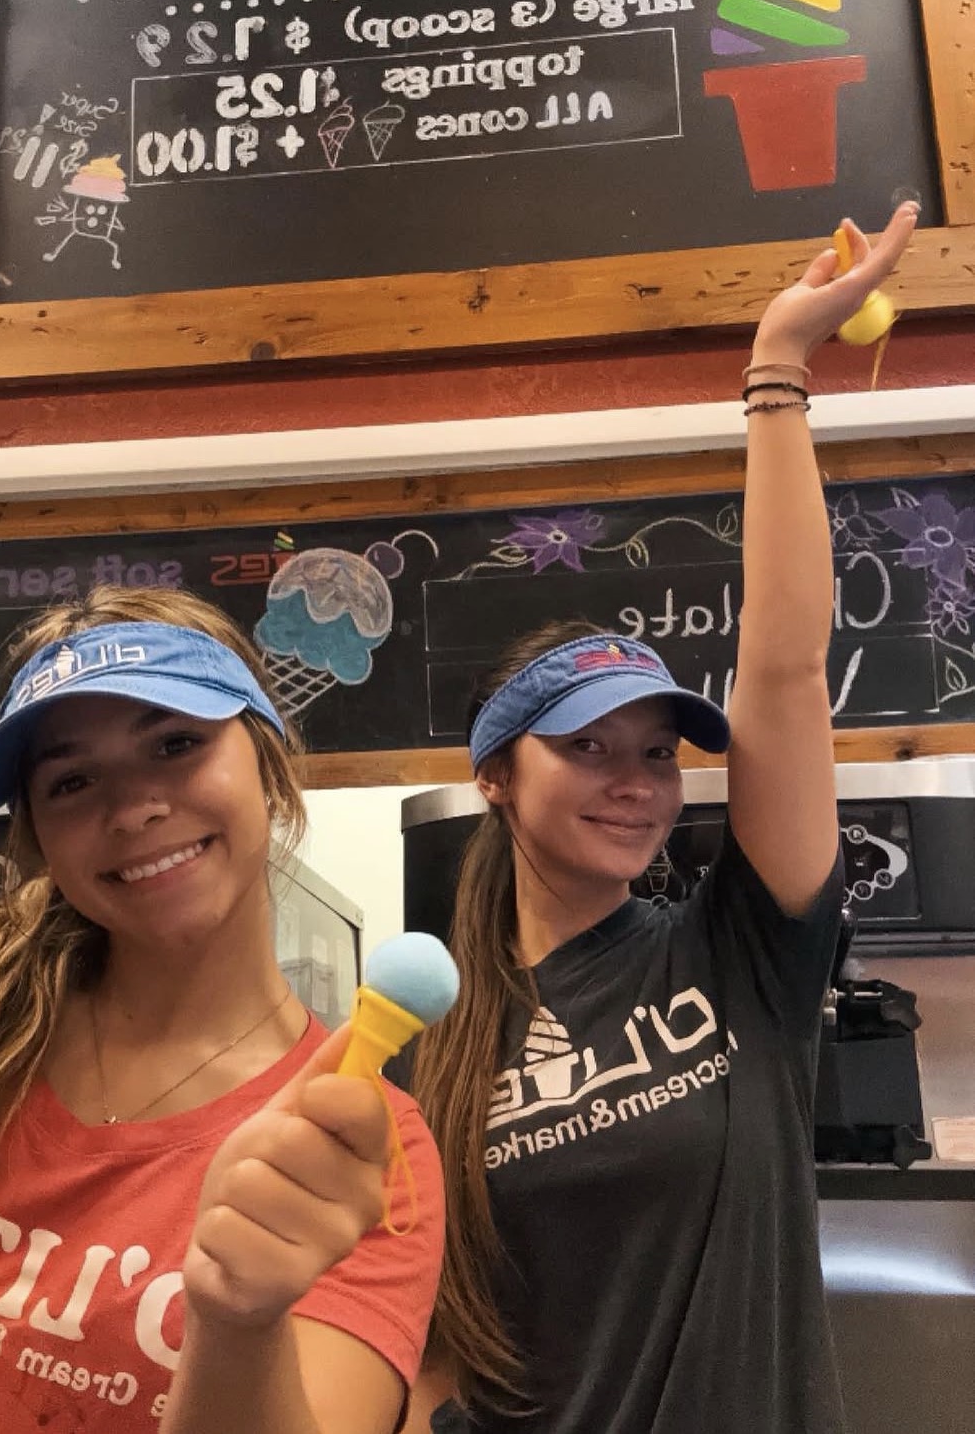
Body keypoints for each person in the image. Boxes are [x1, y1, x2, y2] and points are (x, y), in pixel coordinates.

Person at [391, 201, 920, 1434]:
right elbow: (425, 1360)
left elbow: (785, 672)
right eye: (586, 748)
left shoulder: (739, 952)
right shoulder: (429, 1046)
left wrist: (777, 374)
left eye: (656, 751)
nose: (636, 778)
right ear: (493, 782)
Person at [0, 585, 444, 1434]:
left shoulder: (357, 1148)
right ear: (37, 832)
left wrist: (237, 1321)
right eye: (72, 780)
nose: (133, 808)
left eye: (176, 743)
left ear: (269, 760)